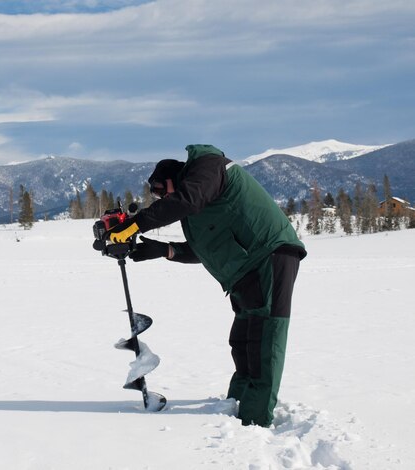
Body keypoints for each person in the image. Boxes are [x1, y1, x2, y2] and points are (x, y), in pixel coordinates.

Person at [104, 144, 306, 427]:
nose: (161, 196)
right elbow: (202, 249)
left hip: (269, 256)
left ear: (179, 176)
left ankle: (255, 419)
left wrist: (135, 224)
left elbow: (187, 199)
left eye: (161, 189)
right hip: (245, 270)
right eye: (156, 193)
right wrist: (162, 250)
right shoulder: (198, 206)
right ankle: (234, 404)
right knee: (242, 342)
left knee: (265, 341)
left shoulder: (209, 165)